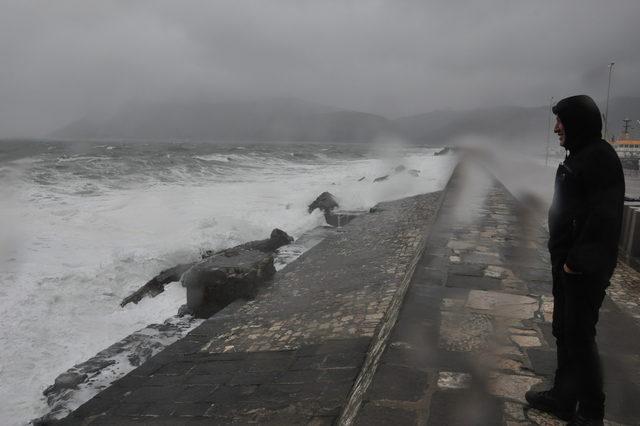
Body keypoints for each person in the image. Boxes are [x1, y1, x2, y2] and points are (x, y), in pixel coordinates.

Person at [525, 95, 625, 425]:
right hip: (567, 262)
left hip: (583, 267)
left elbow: (603, 218)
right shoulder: (581, 155)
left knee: (580, 336)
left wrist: (576, 262)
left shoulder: (599, 159)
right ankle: (563, 397)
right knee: (564, 331)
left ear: (577, 123)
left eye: (561, 121)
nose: (556, 129)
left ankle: (592, 412)